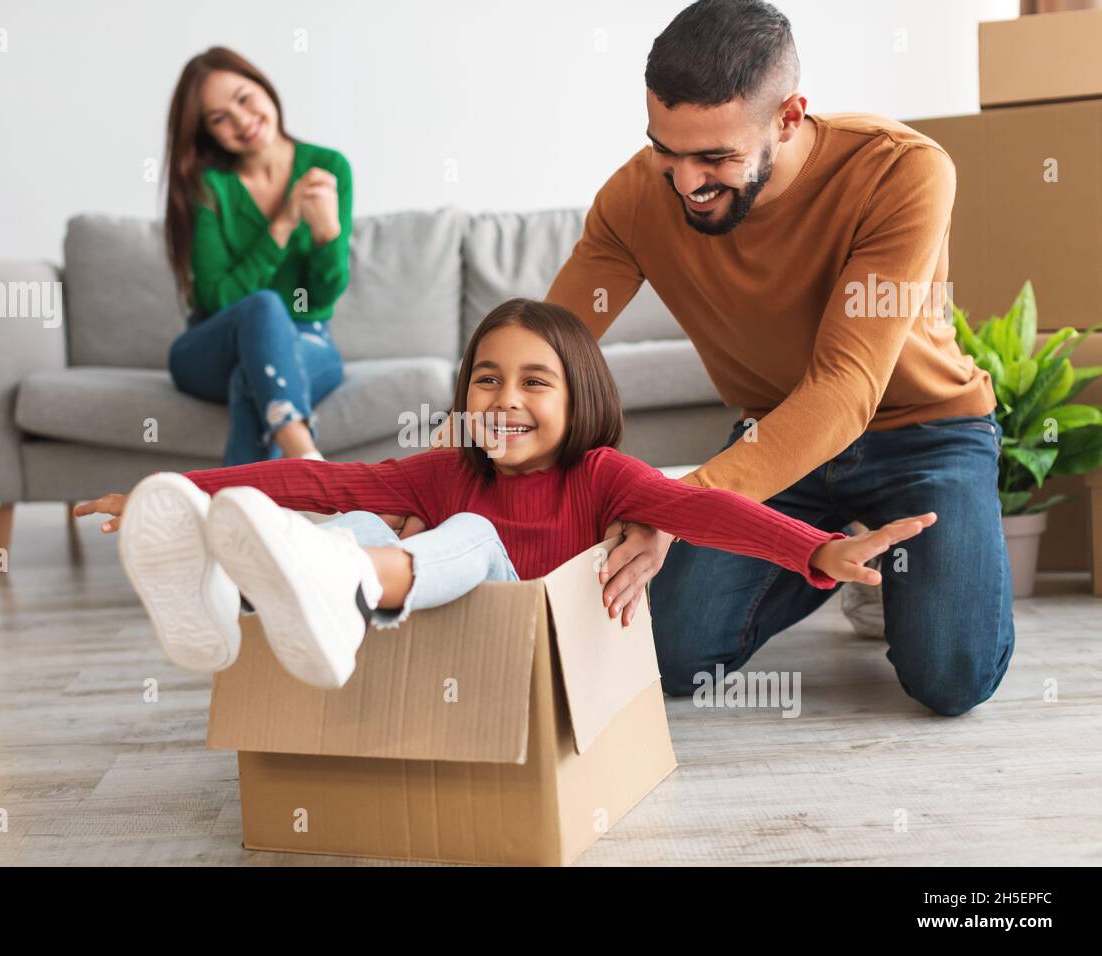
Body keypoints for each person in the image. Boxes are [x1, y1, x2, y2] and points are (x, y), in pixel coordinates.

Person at [539, 0, 1010, 716]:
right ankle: (821, 552)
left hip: (926, 432)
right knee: (671, 657)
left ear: (789, 118)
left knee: (951, 677)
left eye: (717, 157)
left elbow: (845, 388)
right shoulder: (638, 197)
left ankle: (884, 572)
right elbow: (549, 348)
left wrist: (678, 508)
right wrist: (457, 468)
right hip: (775, 438)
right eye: (666, 148)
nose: (687, 183)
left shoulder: (902, 171)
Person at [76, 299, 935, 689]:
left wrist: (814, 550)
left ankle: (339, 581)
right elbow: (314, 474)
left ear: (581, 400)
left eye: (534, 382)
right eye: (486, 380)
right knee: (359, 510)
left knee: (474, 539)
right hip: (422, 637)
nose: (504, 400)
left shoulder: (602, 478)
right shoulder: (444, 466)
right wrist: (178, 486)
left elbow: (703, 510)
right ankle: (224, 592)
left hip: (534, 668)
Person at [162, 47, 351, 465]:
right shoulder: (210, 188)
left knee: (251, 377)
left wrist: (326, 234)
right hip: (212, 345)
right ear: (207, 132)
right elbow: (218, 298)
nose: (241, 121)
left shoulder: (328, 166)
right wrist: (282, 224)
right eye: (219, 118)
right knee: (263, 306)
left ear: (264, 87)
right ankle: (310, 464)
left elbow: (321, 298)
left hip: (307, 338)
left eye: (244, 98)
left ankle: (237, 522)